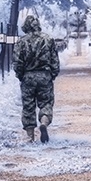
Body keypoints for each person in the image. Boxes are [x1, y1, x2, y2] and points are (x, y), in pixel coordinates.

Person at [12, 15, 60, 143]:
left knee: (28, 106)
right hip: (45, 76)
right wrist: (53, 74)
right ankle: (43, 122)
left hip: (28, 77)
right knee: (46, 103)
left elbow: (17, 63)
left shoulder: (21, 42)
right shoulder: (48, 39)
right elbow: (54, 60)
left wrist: (21, 76)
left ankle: (30, 137)